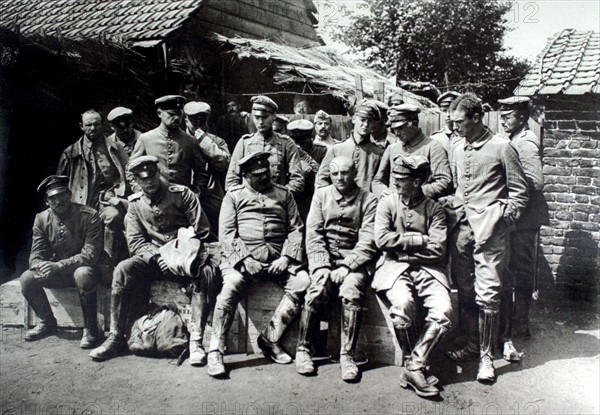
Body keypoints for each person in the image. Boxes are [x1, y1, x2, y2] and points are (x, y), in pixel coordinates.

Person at [89, 156, 217, 364]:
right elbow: (135, 241)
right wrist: (157, 257)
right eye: (143, 179)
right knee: (123, 269)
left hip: (184, 259)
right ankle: (116, 336)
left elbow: (202, 231)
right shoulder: (135, 204)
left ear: (158, 173)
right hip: (155, 261)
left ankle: (196, 341)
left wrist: (177, 256)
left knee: (205, 273)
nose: (149, 182)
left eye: (152, 176)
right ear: (137, 182)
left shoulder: (182, 194)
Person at [445, 93, 529, 383]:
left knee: (490, 291)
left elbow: (519, 194)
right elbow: (458, 187)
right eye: (452, 122)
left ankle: (486, 358)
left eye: (460, 122)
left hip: (491, 233)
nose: (455, 127)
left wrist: (501, 220)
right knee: (465, 289)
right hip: (462, 232)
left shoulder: (502, 147)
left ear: (477, 118)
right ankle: (471, 344)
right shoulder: (457, 148)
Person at [207, 151, 310, 378]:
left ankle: (270, 338)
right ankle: (215, 350)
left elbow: (296, 228)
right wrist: (245, 260)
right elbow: (227, 234)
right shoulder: (233, 197)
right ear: (244, 175)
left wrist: (285, 258)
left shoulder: (284, 194)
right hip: (242, 261)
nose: (265, 178)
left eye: (267, 172)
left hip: (277, 260)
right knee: (230, 287)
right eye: (257, 175)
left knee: (303, 282)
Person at [373, 155, 451, 397]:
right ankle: (414, 366)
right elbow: (381, 239)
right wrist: (419, 240)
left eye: (401, 179)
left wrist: (402, 251)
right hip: (392, 269)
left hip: (429, 270)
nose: (395, 182)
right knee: (403, 306)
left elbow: (438, 248)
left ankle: (413, 365)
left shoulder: (434, 209)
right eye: (394, 177)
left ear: (417, 181)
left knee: (443, 312)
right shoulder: (387, 204)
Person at [295, 156, 378, 382]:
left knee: (350, 293)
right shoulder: (321, 195)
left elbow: (368, 240)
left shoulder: (369, 200)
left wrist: (347, 265)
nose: (339, 178)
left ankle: (347, 356)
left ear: (354, 174)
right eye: (334, 174)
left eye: (344, 173)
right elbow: (313, 234)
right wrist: (321, 265)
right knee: (316, 289)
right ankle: (303, 350)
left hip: (355, 262)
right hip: (325, 259)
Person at [19, 175, 107, 348]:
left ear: (69, 194)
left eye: (62, 195)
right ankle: (47, 323)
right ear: (46, 201)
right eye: (53, 198)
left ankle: (91, 330)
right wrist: (39, 265)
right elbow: (36, 253)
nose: (59, 201)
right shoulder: (42, 219)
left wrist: (59, 265)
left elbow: (90, 255)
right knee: (27, 278)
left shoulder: (89, 216)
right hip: (59, 273)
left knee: (83, 274)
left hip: (88, 271)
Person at [498, 96, 549, 359]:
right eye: (502, 114)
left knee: (521, 270)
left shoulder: (526, 142)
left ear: (521, 116)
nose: (502, 119)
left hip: (525, 218)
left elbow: (536, 182)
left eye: (508, 115)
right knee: (515, 269)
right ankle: (516, 322)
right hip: (519, 217)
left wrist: (509, 189)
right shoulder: (514, 139)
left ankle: (521, 324)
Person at [57, 109, 130, 264]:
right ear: (81, 126)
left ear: (102, 125)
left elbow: (127, 176)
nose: (92, 128)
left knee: (113, 216)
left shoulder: (115, 149)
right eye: (88, 125)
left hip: (104, 203)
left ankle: (108, 263)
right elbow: (60, 183)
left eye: (96, 124)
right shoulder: (70, 153)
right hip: (79, 203)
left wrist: (117, 196)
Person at [225, 95, 304, 196]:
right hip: (248, 206)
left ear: (274, 116)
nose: (260, 122)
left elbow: (298, 181)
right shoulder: (244, 143)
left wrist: (280, 196)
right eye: (257, 117)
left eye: (265, 117)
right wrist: (244, 199)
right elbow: (231, 180)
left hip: (277, 205)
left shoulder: (287, 144)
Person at [131, 95, 208, 195]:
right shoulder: (145, 139)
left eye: (179, 114)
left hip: (182, 200)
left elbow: (201, 173)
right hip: (154, 199)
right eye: (171, 114)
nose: (176, 118)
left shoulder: (190, 141)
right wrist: (140, 190)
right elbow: (131, 169)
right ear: (159, 113)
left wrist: (194, 193)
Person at [371, 104, 451, 201]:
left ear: (414, 124)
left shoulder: (433, 147)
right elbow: (377, 180)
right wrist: (382, 191)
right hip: (393, 208)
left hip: (420, 209)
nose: (396, 133)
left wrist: (415, 193)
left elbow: (444, 181)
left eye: (400, 128)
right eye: (394, 129)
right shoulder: (392, 148)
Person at [183, 101, 231, 236]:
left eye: (202, 121)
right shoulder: (178, 140)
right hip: (185, 193)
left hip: (211, 195)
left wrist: (205, 142)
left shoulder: (217, 141)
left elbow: (224, 164)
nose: (198, 125)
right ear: (186, 120)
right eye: (194, 121)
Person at [316, 99, 384, 192]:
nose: (366, 124)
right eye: (362, 120)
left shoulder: (379, 153)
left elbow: (382, 183)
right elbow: (322, 179)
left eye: (370, 121)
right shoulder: (337, 149)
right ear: (354, 119)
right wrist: (331, 200)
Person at [287, 119, 328, 221]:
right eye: (295, 141)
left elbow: (326, 177)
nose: (298, 145)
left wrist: (310, 172)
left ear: (311, 137)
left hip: (313, 198)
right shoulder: (289, 151)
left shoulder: (322, 151)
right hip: (294, 199)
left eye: (302, 140)